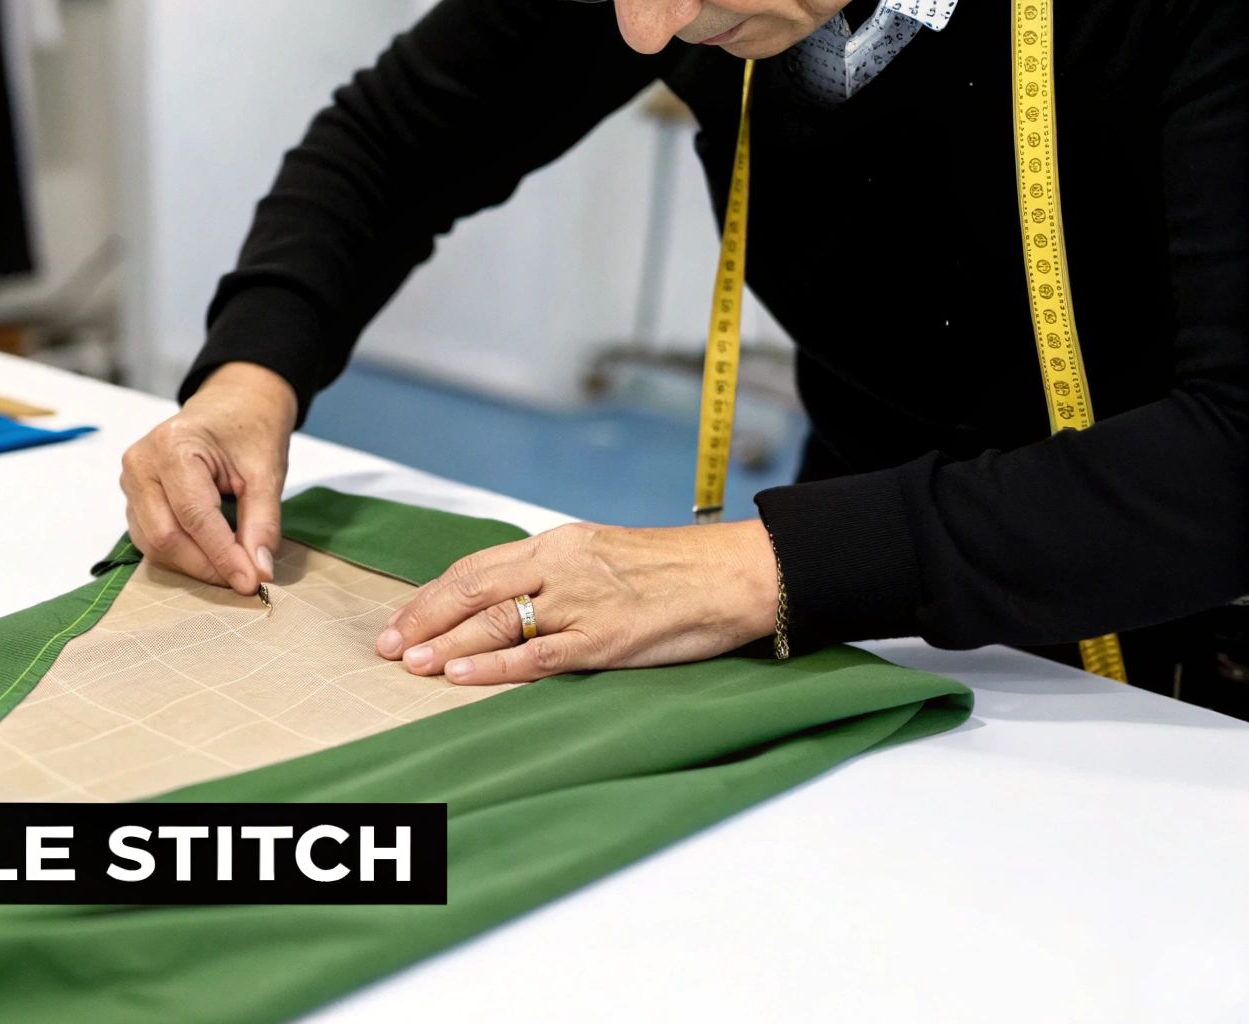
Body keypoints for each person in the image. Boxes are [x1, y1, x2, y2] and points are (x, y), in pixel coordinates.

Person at [118, 0, 1249, 712]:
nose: (643, 32)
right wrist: (246, 379)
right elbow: (396, 141)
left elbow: (1232, 459)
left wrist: (749, 569)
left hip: (1189, 629)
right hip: (867, 586)